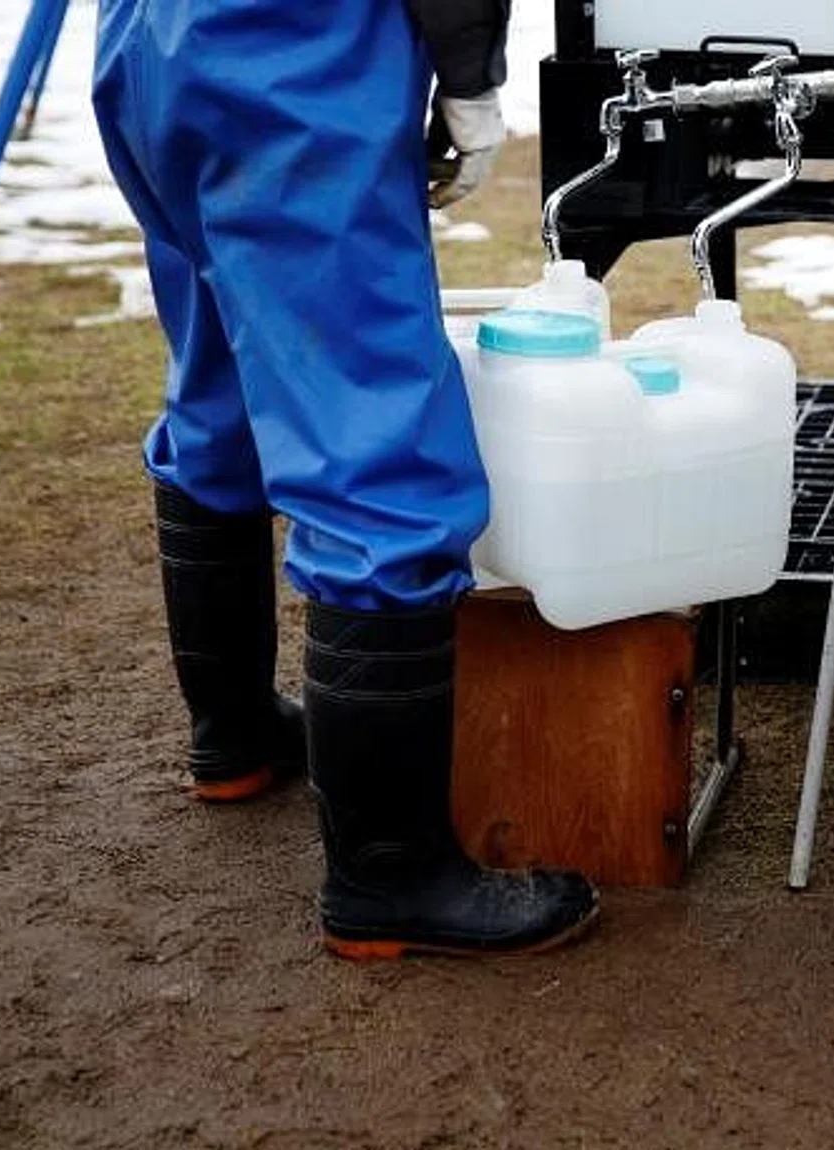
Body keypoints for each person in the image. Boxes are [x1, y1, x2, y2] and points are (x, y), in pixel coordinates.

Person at [91, 0, 598, 959]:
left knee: (221, 395)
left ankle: (235, 739)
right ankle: (389, 876)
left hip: (150, 38)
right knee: (379, 452)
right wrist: (471, 69)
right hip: (294, 51)